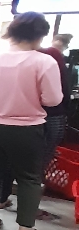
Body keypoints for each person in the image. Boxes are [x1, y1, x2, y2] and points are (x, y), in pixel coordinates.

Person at [0, 12, 63, 230]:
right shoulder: (44, 62)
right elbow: (53, 100)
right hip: (26, 128)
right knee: (29, 177)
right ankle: (25, 228)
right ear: (40, 35)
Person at [38, 31, 73, 174]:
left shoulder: (33, 54)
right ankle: (38, 176)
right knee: (47, 149)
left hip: (32, 112)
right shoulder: (54, 55)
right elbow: (63, 85)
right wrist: (66, 106)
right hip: (53, 112)